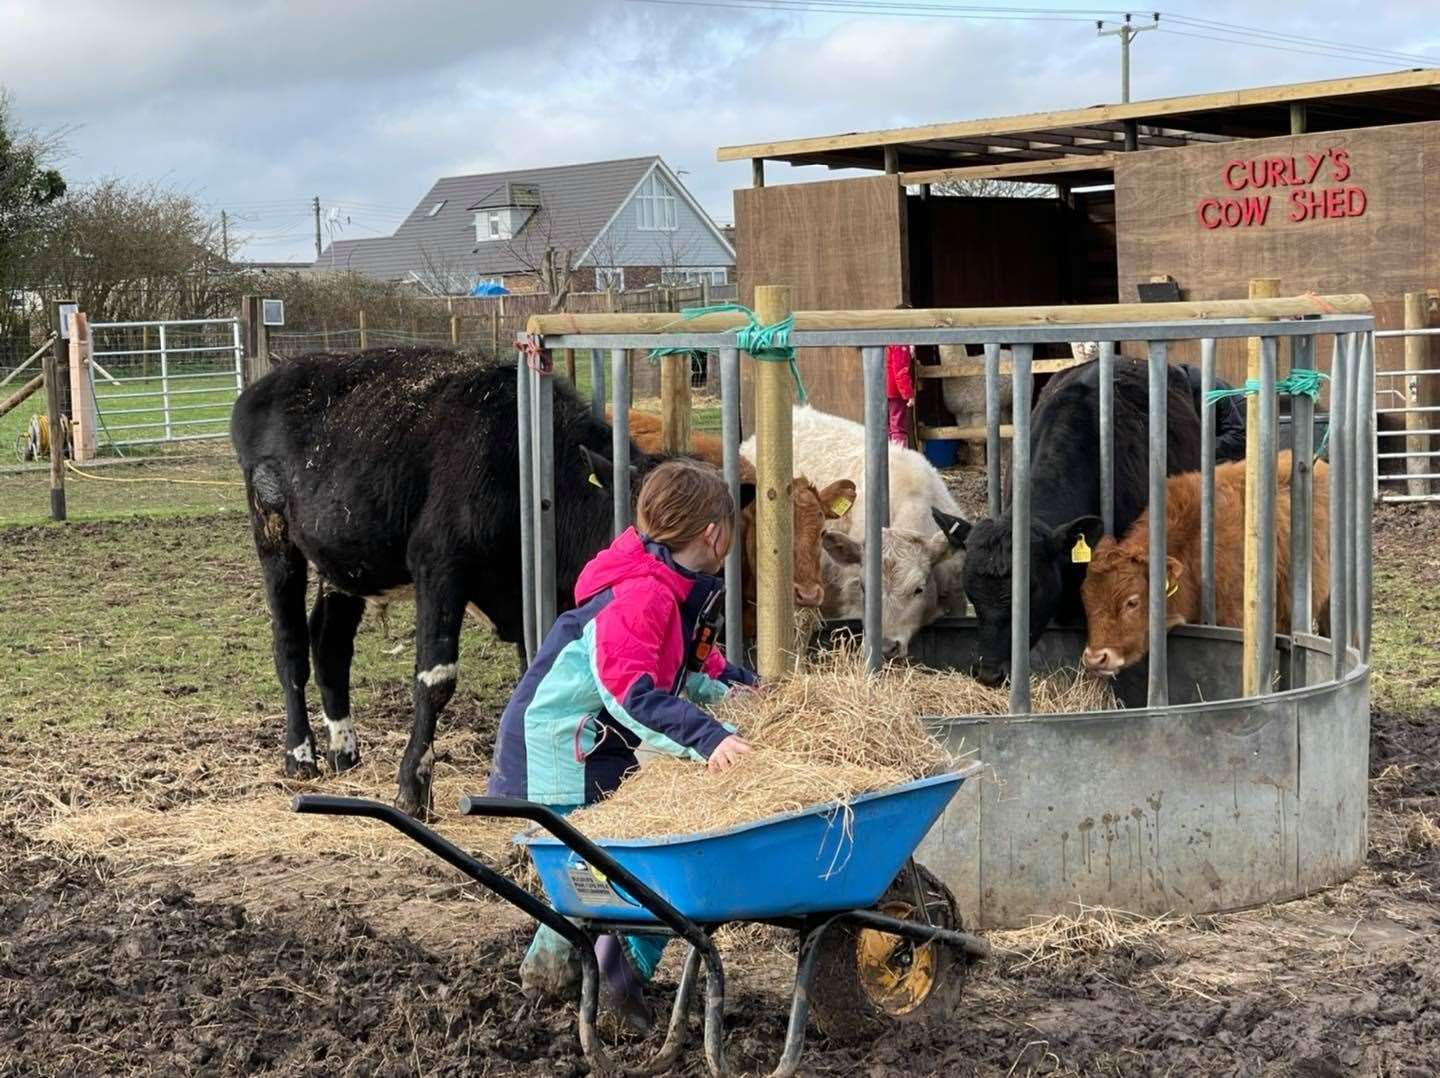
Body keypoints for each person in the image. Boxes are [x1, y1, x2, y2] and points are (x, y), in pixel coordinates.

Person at [488, 459, 757, 1031]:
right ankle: (621, 973)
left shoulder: (670, 588)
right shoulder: (645, 595)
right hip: (567, 748)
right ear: (714, 533)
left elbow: (686, 674)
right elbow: (631, 692)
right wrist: (710, 741)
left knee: (584, 868)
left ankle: (548, 972)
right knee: (642, 868)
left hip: (576, 742)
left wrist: (746, 693)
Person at [885, 340, 915, 447]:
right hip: (895, 392)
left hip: (882, 389)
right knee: (898, 427)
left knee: (887, 426)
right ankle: (900, 459)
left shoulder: (887, 342)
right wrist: (909, 394)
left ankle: (887, 458)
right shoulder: (900, 342)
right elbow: (901, 371)